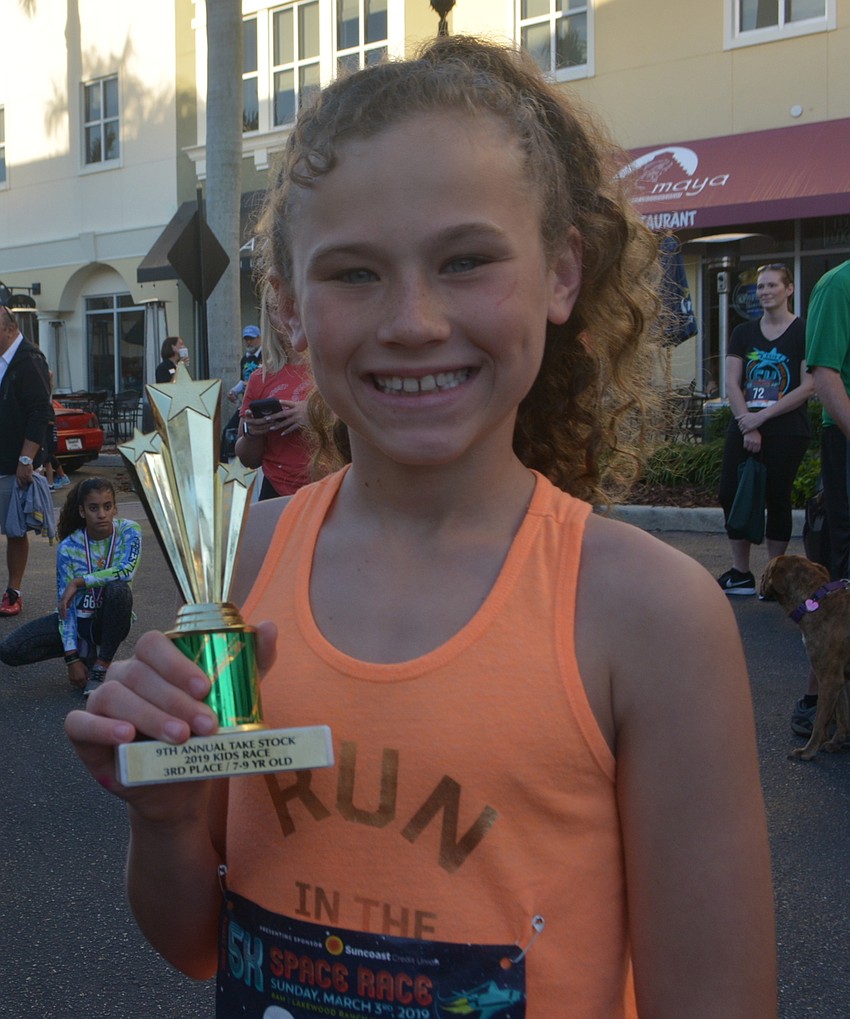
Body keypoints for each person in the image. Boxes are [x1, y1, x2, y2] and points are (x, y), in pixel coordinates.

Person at [65, 37, 776, 1018]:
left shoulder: (647, 614)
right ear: (288, 305)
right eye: (355, 273)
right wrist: (166, 812)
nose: (414, 318)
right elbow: (195, 939)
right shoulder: (245, 556)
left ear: (560, 271)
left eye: (467, 259)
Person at [716, 264, 813, 595]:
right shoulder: (743, 333)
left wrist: (762, 418)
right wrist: (747, 423)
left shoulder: (803, 331)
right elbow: (731, 381)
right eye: (760, 286)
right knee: (729, 492)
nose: (765, 291)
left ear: (788, 290)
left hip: (787, 429)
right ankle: (740, 573)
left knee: (777, 497)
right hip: (744, 424)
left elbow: (808, 386)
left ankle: (775, 579)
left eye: (772, 285)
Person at [0, 476, 141, 697]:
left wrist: (80, 581)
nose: (101, 514)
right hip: (79, 620)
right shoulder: (68, 547)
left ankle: (101, 666)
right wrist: (71, 658)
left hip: (110, 618)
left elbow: (126, 570)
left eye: (107, 506)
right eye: (93, 508)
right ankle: (85, 653)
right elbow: (66, 606)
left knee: (119, 590)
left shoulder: (129, 531)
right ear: (82, 511)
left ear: (115, 508)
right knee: (10, 650)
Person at [793, 257, 850, 736]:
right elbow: (826, 377)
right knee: (838, 580)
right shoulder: (838, 285)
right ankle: (815, 699)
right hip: (846, 444)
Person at [0, 302, 53, 617]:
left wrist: (26, 458)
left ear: (8, 328)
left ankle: (13, 591)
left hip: (11, 463)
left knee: (15, 529)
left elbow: (39, 412)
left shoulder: (29, 360)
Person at [234, 318, 312, 499]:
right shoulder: (259, 378)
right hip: (276, 492)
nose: (288, 314)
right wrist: (253, 433)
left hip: (331, 489)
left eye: (294, 301)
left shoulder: (334, 369)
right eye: (276, 307)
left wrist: (316, 413)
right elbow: (248, 459)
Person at [227, 324, 263, 403]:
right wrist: (234, 391)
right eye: (246, 339)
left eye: (251, 339)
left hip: (263, 399)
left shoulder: (267, 356)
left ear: (259, 338)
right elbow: (244, 381)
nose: (248, 342)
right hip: (248, 400)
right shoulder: (244, 359)